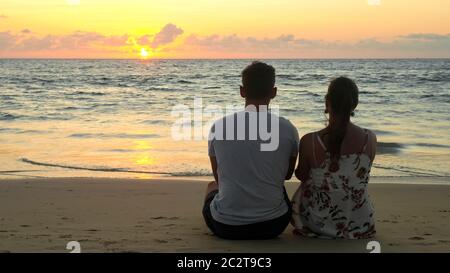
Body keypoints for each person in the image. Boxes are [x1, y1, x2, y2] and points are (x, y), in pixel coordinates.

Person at [202, 61, 299, 240]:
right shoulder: (288, 129)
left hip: (225, 226)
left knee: (212, 186)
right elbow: (286, 175)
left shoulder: (219, 127)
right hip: (273, 225)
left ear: (242, 91)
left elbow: (218, 176)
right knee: (273, 184)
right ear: (274, 92)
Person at [291, 77, 377, 239]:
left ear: (327, 103)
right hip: (360, 221)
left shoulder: (310, 141)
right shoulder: (370, 139)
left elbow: (301, 175)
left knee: (310, 181)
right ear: (354, 105)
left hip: (319, 222)